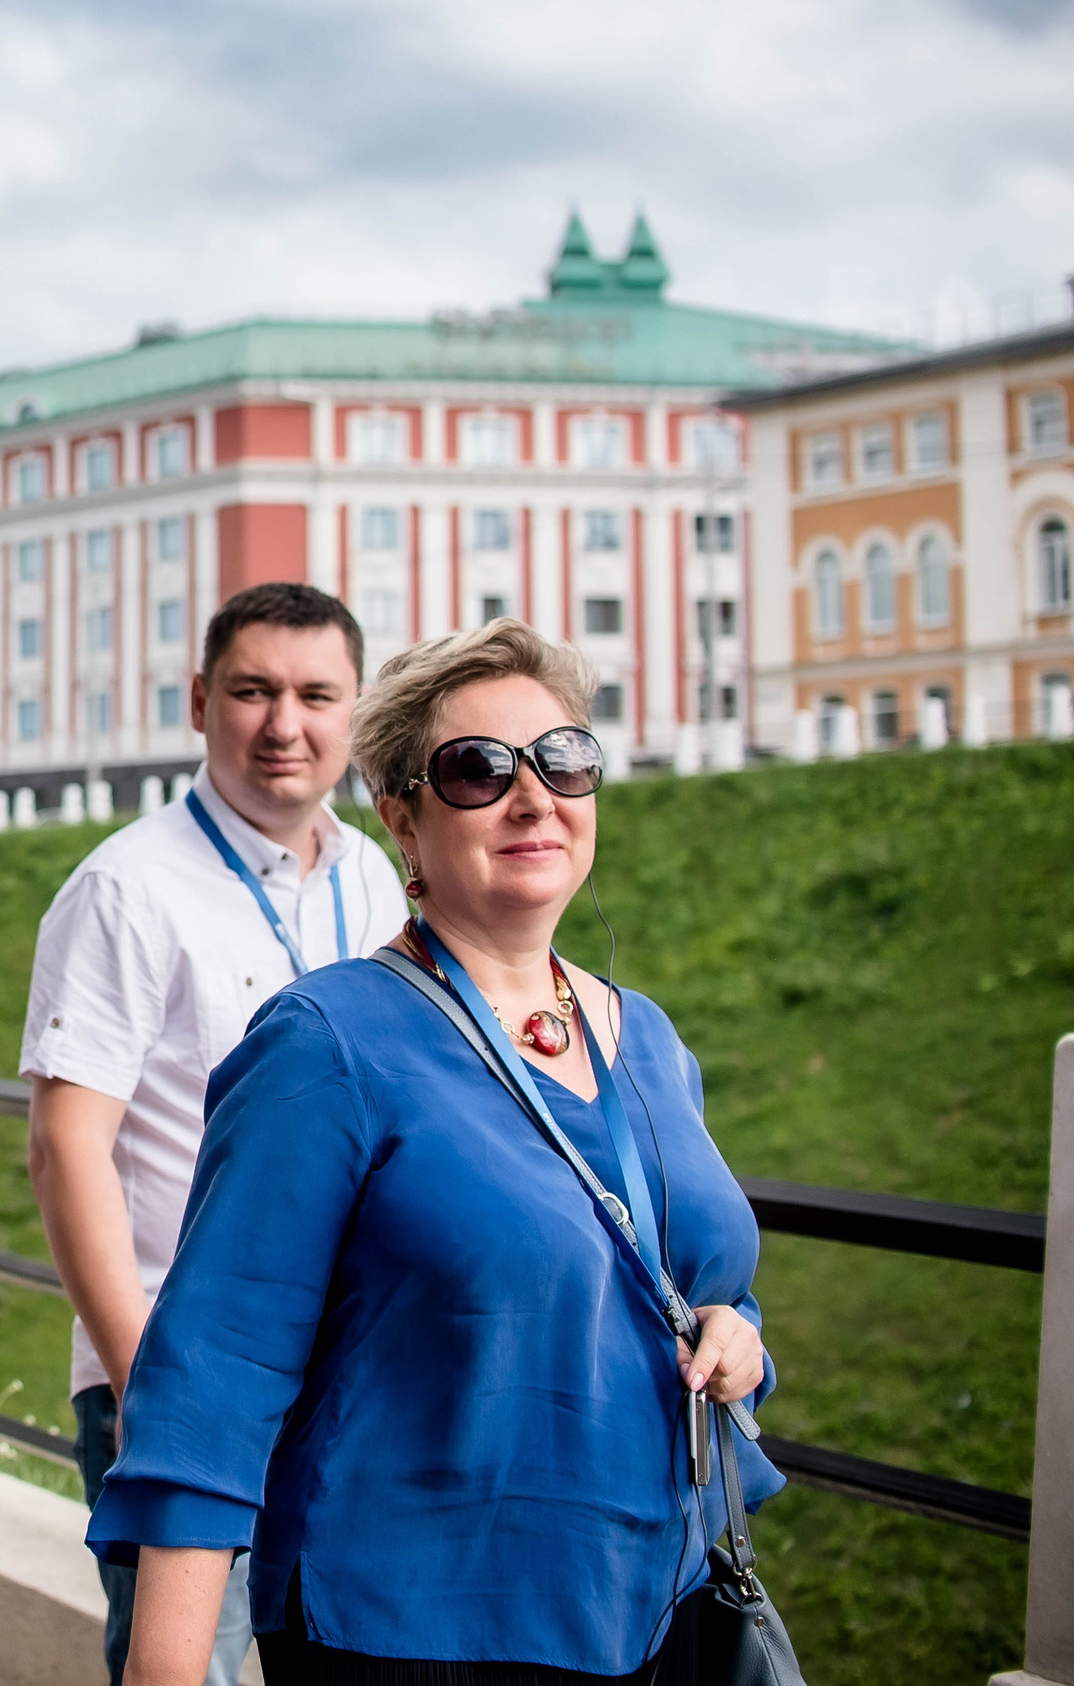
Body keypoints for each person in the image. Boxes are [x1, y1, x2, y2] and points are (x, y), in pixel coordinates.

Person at [97, 619, 779, 1686]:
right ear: (402, 817)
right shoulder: (326, 1042)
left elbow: (690, 1279)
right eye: (476, 768)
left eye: (562, 758)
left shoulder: (643, 1033)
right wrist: (166, 1669)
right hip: (418, 1627)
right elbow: (212, 1378)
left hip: (658, 1599)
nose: (531, 794)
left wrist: (739, 1335)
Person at [24, 582, 405, 1686]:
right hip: (182, 1372)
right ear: (200, 701)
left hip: (346, 1379)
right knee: (186, 1669)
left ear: (354, 709)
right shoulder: (126, 888)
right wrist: (151, 1374)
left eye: (315, 693)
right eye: (252, 689)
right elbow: (64, 1146)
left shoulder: (374, 879)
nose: (284, 722)